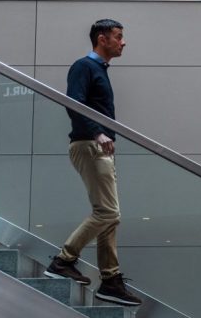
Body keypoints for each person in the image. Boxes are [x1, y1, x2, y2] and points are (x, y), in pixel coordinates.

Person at [43, 19, 142, 307]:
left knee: (109, 215)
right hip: (89, 145)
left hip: (98, 147)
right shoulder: (84, 66)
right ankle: (64, 260)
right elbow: (73, 102)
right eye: (118, 37)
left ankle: (110, 280)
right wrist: (97, 132)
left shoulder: (99, 69)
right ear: (102, 39)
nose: (123, 42)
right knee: (108, 213)